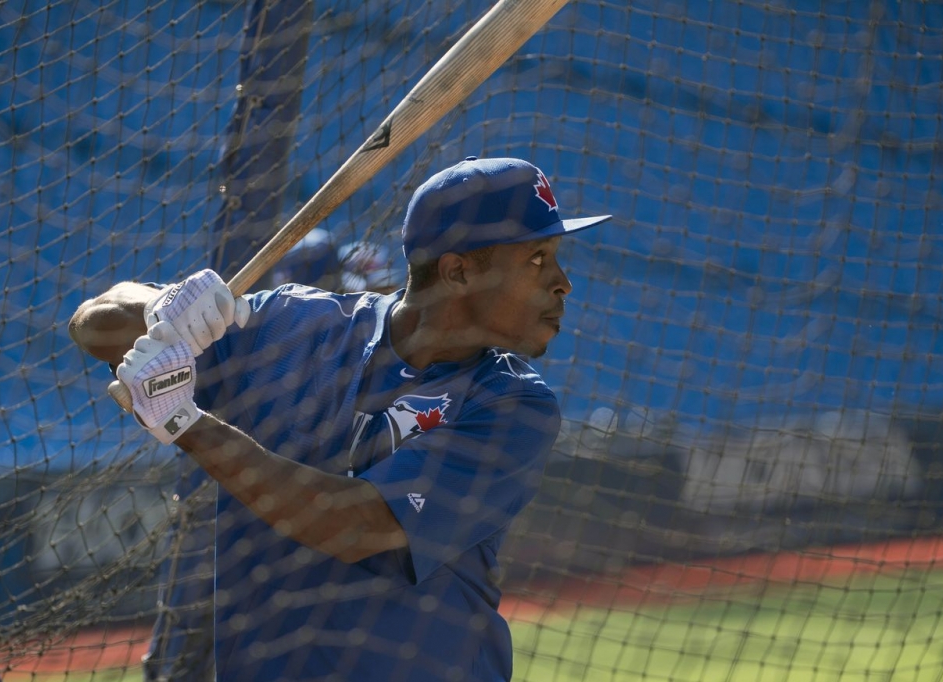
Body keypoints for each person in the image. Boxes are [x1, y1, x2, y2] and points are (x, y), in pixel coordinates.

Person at [68, 156, 611, 681]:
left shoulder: (512, 404)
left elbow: (355, 527)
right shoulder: (294, 324)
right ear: (458, 271)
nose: (562, 281)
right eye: (538, 258)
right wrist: (165, 307)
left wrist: (185, 422)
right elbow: (93, 325)